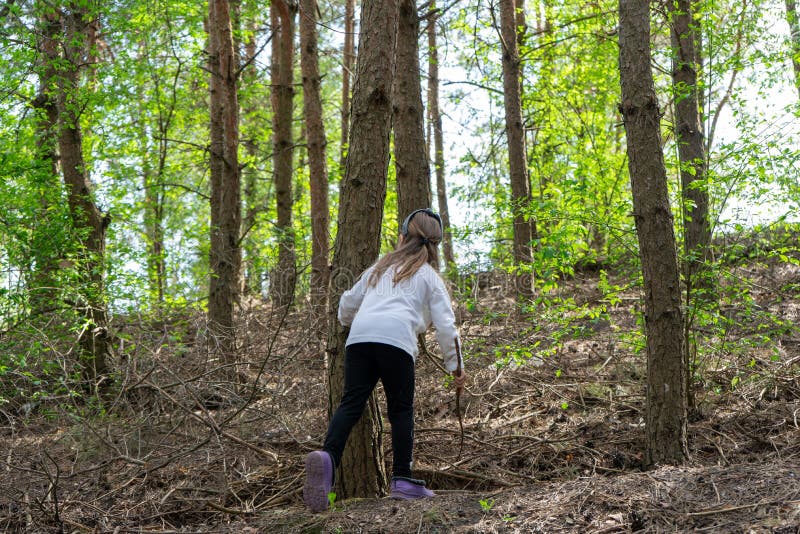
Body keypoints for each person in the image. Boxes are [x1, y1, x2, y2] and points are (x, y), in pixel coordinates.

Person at [303, 208, 467, 513]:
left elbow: (347, 304)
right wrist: (456, 367)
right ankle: (403, 480)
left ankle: (328, 457)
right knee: (401, 410)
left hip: (359, 338)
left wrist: (352, 321)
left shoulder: (380, 267)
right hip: (397, 340)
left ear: (403, 236)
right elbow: (446, 325)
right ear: (435, 244)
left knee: (351, 403)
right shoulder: (429, 277)